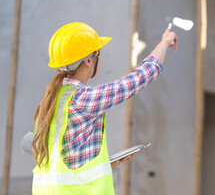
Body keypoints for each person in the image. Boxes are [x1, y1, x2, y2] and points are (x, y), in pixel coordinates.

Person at [31, 22, 178, 195]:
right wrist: (164, 43)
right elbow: (139, 77)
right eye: (98, 54)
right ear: (88, 60)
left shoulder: (49, 103)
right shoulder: (82, 98)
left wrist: (108, 165)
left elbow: (62, 163)